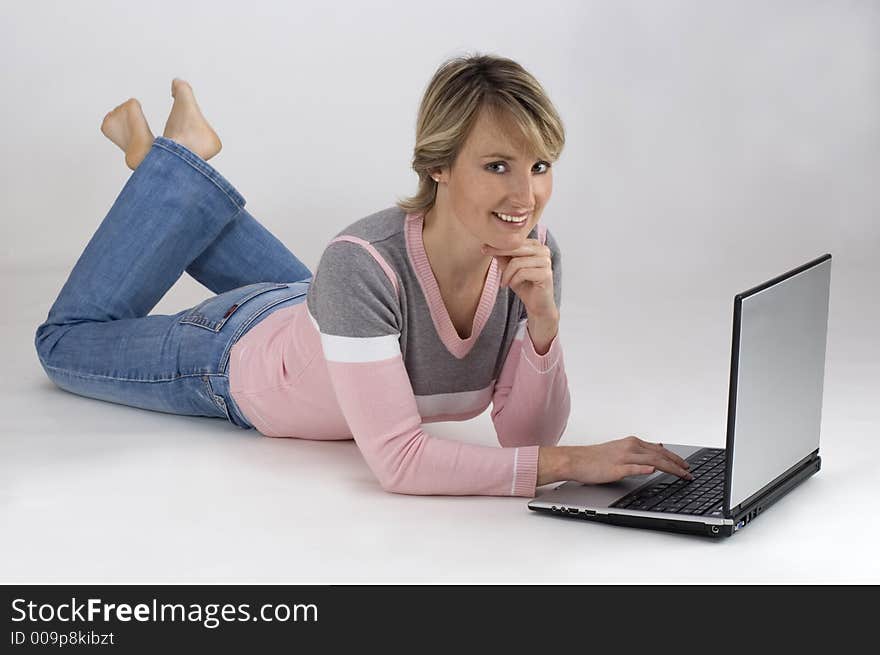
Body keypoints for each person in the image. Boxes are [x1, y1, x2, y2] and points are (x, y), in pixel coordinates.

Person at [34, 54, 692, 498]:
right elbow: (400, 462)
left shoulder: (532, 251)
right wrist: (573, 465)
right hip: (235, 355)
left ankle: (167, 163)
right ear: (438, 165)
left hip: (328, 325)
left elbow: (524, 435)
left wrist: (544, 324)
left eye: (541, 165)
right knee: (62, 341)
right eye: (498, 166)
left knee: (336, 291)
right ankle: (173, 165)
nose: (527, 194)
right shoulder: (363, 262)